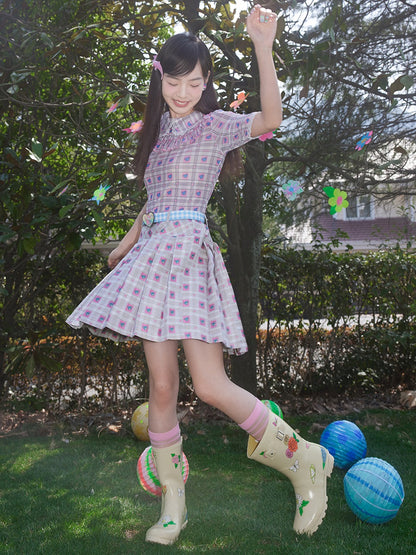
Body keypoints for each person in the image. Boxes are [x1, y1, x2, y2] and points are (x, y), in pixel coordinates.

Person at [66, 5, 333, 546]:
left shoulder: (215, 128)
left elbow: (271, 120)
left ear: (206, 82)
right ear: (160, 78)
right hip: (151, 264)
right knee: (161, 386)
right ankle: (173, 504)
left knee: (209, 385)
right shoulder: (157, 132)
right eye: (175, 81)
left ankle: (305, 459)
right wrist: (123, 248)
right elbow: (152, 202)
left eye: (195, 82)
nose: (184, 92)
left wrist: (262, 44)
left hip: (188, 258)